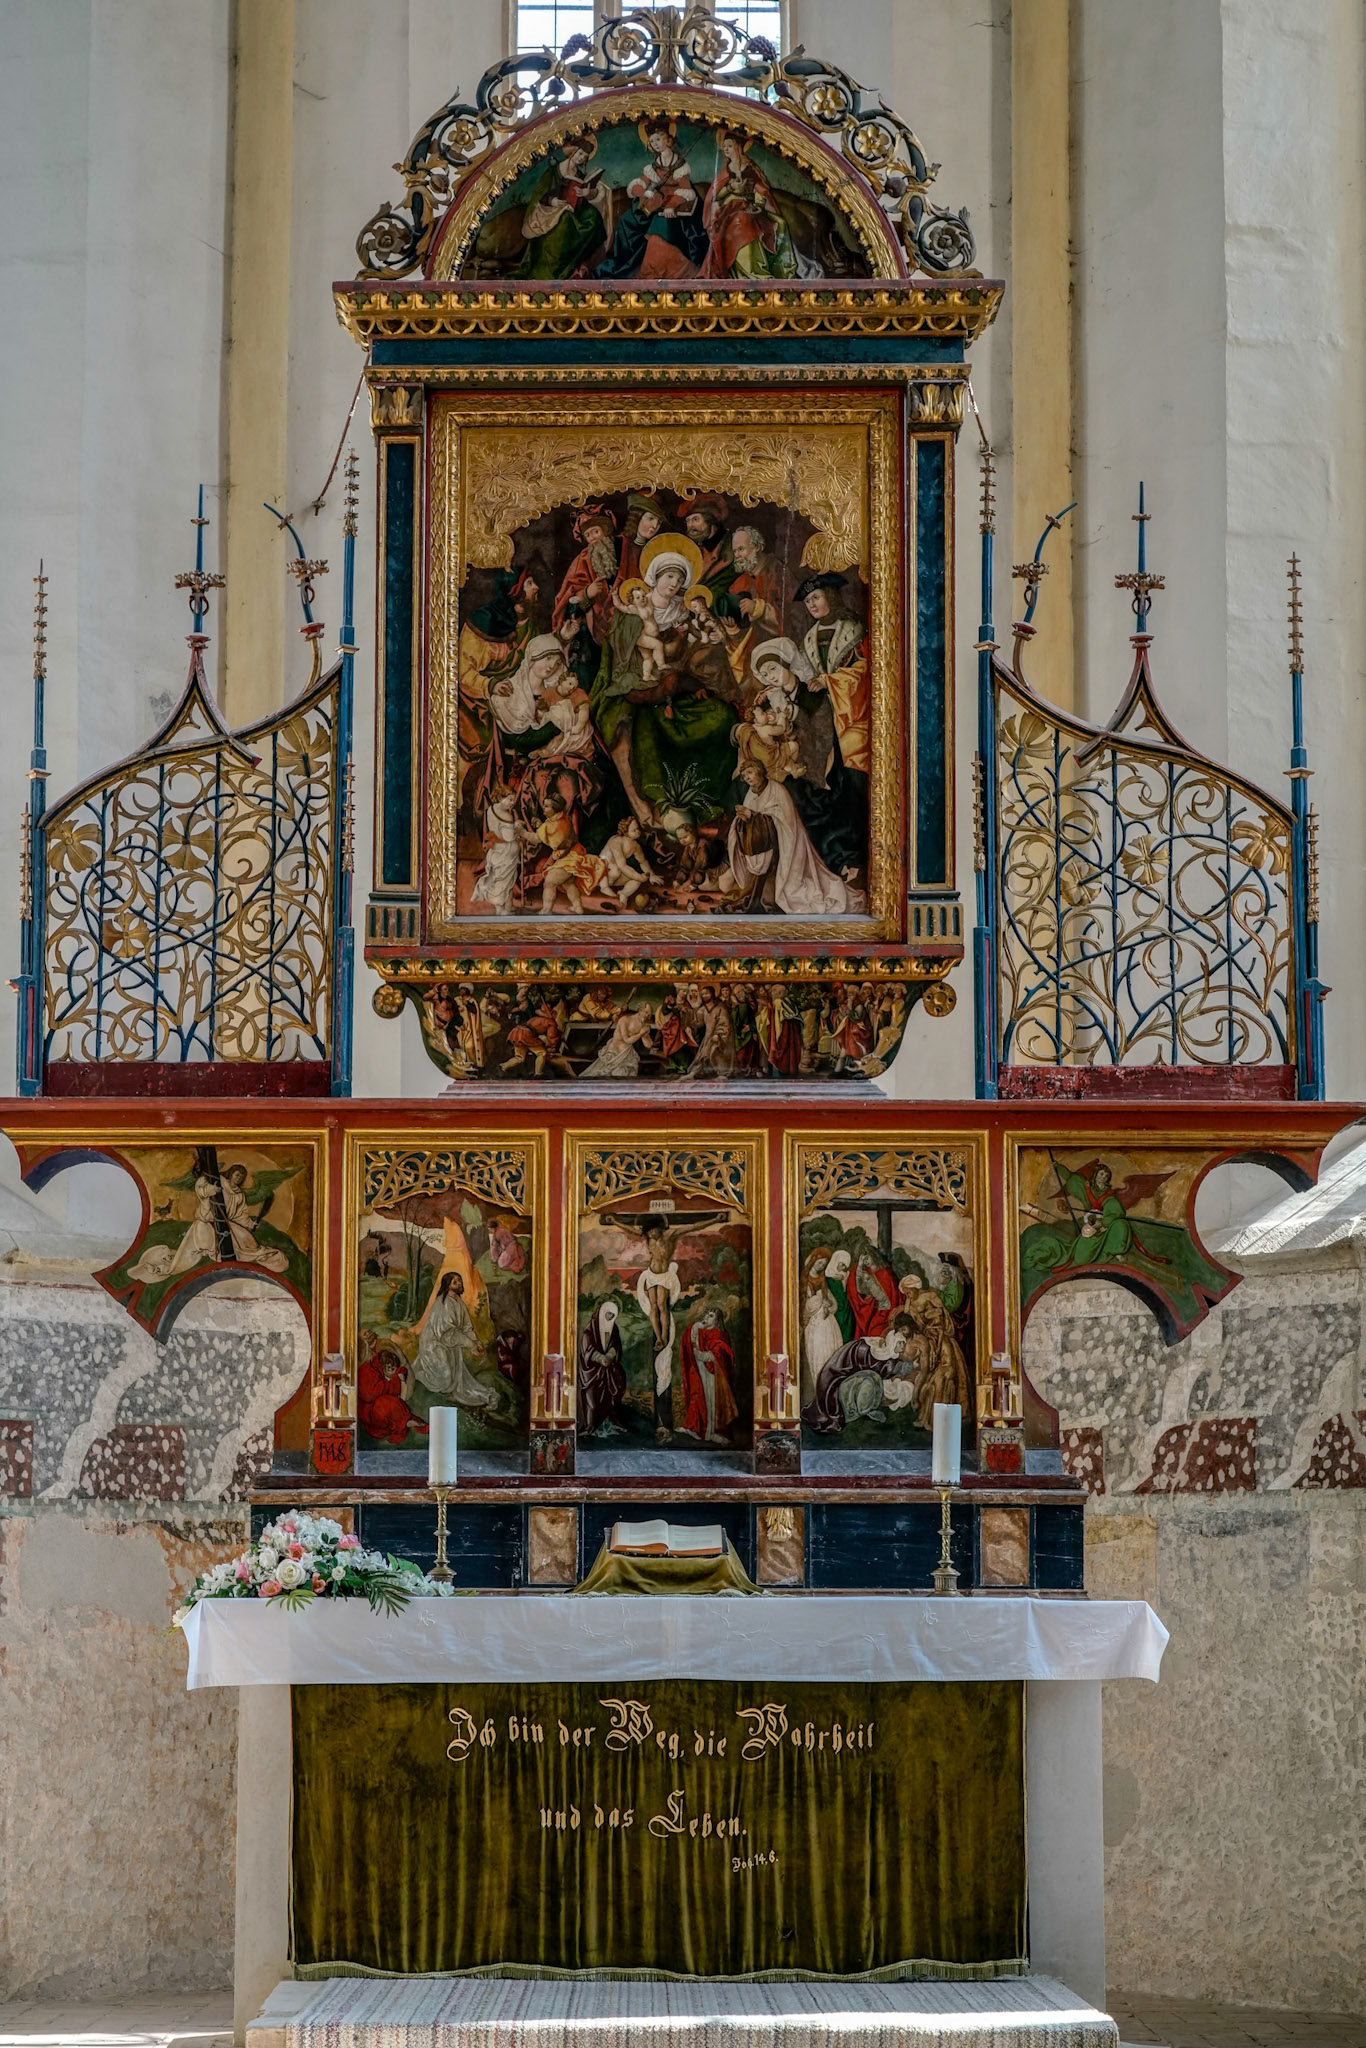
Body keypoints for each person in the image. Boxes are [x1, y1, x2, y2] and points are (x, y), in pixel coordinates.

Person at [726, 759, 859, 915]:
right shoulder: (751, 792)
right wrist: (744, 818)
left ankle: (769, 899)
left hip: (785, 844)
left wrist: (754, 816)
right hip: (764, 844)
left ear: (759, 770)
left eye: (750, 772)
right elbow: (755, 819)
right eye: (744, 775)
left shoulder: (777, 790)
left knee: (790, 889)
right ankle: (761, 899)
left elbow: (785, 822)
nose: (747, 777)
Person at [595, 120, 706, 278]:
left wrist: (672, 205)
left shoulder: (680, 165)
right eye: (652, 141)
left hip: (676, 206)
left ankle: (661, 270)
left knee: (659, 228)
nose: (655, 144)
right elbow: (639, 185)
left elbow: (687, 191)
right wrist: (644, 193)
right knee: (625, 221)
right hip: (657, 204)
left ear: (668, 139)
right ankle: (625, 261)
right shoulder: (653, 166)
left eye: (658, 139)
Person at [701, 130, 798, 279]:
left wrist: (758, 204)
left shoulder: (750, 168)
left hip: (752, 206)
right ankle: (751, 271)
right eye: (724, 146)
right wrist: (730, 188)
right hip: (730, 209)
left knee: (781, 222)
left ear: (739, 147)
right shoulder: (725, 171)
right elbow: (714, 196)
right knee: (742, 219)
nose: (725, 149)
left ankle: (781, 270)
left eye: (729, 146)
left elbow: (761, 189)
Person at [514, 132, 611, 279]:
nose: (581, 158)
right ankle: (559, 266)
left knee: (593, 216)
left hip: (572, 207)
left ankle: (580, 261)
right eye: (580, 154)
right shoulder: (555, 170)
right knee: (566, 220)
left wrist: (585, 193)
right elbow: (541, 192)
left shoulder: (578, 174)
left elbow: (581, 199)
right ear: (573, 152)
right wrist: (553, 201)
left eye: (585, 157)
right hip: (552, 208)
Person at [802, 1320, 914, 1434]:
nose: (903, 1346)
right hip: (836, 1379)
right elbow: (852, 1367)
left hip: (853, 1378)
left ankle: (866, 1409)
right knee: (871, 1379)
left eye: (903, 1343)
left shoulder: (889, 1355)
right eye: (900, 1343)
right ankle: (859, 1410)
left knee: (873, 1379)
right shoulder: (868, 1350)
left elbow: (891, 1369)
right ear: (893, 1342)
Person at [413, 1272, 499, 1414]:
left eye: (459, 1281)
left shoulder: (459, 1303)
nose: (459, 1283)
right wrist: (470, 1345)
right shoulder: (443, 1303)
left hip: (450, 1344)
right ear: (447, 1286)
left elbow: (466, 1327)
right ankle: (418, 1374)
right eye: (455, 1282)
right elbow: (446, 1334)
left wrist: (476, 1343)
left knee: (457, 1381)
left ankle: (484, 1396)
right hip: (434, 1346)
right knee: (444, 1382)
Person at [636, 1229, 682, 1441]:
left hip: (663, 1274)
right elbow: (630, 1228)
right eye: (650, 1230)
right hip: (651, 1273)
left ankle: (663, 1336)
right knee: (654, 1307)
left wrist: (715, 1220)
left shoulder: (668, 1238)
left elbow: (689, 1227)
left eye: (655, 1229)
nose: (653, 1232)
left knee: (663, 1307)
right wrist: (613, 1220)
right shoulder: (648, 1238)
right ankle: (659, 1336)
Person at [552, 506, 620, 648]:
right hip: (596, 623)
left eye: (596, 531)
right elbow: (566, 600)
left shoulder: (622, 549)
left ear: (605, 531)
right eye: (588, 535)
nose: (593, 538)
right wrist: (587, 593)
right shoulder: (582, 561)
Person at [680, 1307, 739, 1442]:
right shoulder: (701, 1331)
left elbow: (719, 1354)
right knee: (698, 1397)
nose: (707, 1317)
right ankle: (696, 1428)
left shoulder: (719, 1334)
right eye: (706, 1314)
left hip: (713, 1375)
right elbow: (690, 1341)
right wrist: (695, 1328)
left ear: (717, 1320)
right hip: (700, 1372)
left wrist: (701, 1354)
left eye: (711, 1316)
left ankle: (712, 1432)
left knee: (712, 1402)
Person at [357, 1344, 425, 1446]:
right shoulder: (366, 1370)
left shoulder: (383, 1371)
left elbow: (398, 1376)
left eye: (393, 1368)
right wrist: (394, 1382)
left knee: (389, 1403)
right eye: (390, 1369)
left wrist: (400, 1374)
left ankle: (406, 1422)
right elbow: (369, 1394)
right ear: (384, 1366)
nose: (393, 1372)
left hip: (384, 1413)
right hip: (370, 1414)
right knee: (385, 1403)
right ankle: (406, 1422)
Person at [471, 783, 523, 913]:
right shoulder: (507, 816)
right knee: (504, 881)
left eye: (513, 800)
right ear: (500, 797)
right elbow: (509, 837)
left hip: (496, 850)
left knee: (507, 880)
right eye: (509, 800)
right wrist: (517, 827)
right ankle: (500, 909)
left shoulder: (491, 810)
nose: (512, 803)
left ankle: (509, 905)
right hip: (506, 852)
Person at [577, 1300, 627, 1436]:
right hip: (592, 1371)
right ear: (602, 1312)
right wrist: (600, 1358)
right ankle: (590, 1427)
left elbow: (616, 1345)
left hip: (608, 1369)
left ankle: (611, 1422)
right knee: (592, 1400)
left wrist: (610, 1355)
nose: (610, 1317)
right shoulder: (591, 1328)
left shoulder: (614, 1328)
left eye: (613, 1315)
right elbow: (587, 1349)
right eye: (608, 1314)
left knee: (612, 1393)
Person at [580, 1001, 655, 1079]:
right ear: (640, 1010)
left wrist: (646, 1035)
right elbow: (627, 1040)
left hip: (627, 1055)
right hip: (613, 1053)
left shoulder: (642, 1025)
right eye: (646, 1012)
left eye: (649, 1014)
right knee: (602, 1076)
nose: (647, 1016)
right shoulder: (624, 1020)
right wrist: (640, 1034)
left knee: (623, 1076)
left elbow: (648, 1045)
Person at [801, 1249, 845, 1383]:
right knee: (818, 1353)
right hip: (814, 1323)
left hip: (827, 1321)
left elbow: (832, 1302)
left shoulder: (822, 1279)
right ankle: (819, 1382)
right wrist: (820, 1302)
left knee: (830, 1350)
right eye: (819, 1263)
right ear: (813, 1260)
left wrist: (828, 1305)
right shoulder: (804, 1279)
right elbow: (805, 1307)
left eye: (823, 1265)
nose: (821, 1266)